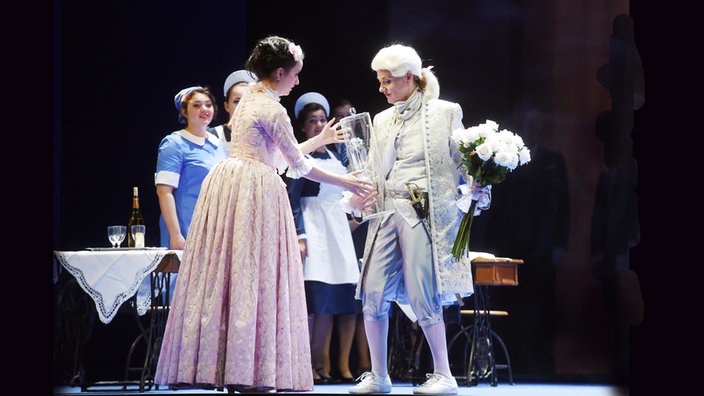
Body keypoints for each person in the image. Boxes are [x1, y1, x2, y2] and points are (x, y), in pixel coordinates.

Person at [153, 35, 373, 393]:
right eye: (295, 75)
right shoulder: (271, 108)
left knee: (236, 274)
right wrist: (346, 181)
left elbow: (277, 156)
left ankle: (236, 366)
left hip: (234, 182)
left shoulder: (253, 96)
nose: (298, 81)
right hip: (254, 190)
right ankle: (250, 371)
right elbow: (298, 166)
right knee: (254, 274)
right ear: (281, 72)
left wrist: (318, 141)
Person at [348, 44, 486, 395]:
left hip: (422, 213)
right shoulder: (381, 118)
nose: (383, 88)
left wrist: (477, 187)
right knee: (372, 289)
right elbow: (374, 169)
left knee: (424, 290)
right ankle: (378, 375)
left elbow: (463, 160)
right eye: (380, 82)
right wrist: (359, 195)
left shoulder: (445, 111)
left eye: (388, 81)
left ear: (410, 77)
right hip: (386, 211)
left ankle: (444, 374)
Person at [288, 92, 360, 384]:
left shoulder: (334, 157)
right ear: (303, 127)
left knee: (335, 302)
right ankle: (306, 365)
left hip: (337, 233)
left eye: (321, 120)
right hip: (314, 230)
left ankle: (323, 365)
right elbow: (292, 201)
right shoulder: (299, 155)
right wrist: (300, 235)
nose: (318, 126)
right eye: (312, 121)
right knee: (314, 304)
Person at [155, 86, 227, 250]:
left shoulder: (218, 144)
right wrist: (175, 235)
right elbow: (164, 192)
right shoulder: (174, 143)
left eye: (208, 105)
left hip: (213, 227)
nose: (204, 109)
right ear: (184, 111)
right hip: (185, 225)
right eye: (196, 105)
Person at [332, 98, 372, 378]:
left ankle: (368, 363)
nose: (347, 123)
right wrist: (352, 222)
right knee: (349, 299)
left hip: (366, 222)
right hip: (344, 227)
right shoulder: (333, 155)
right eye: (341, 118)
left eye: (351, 117)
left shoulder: (366, 150)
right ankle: (343, 363)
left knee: (367, 296)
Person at [211, 69, 257, 155]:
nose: (242, 106)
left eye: (248, 100)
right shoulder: (212, 136)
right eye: (237, 101)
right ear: (226, 106)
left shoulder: (262, 137)